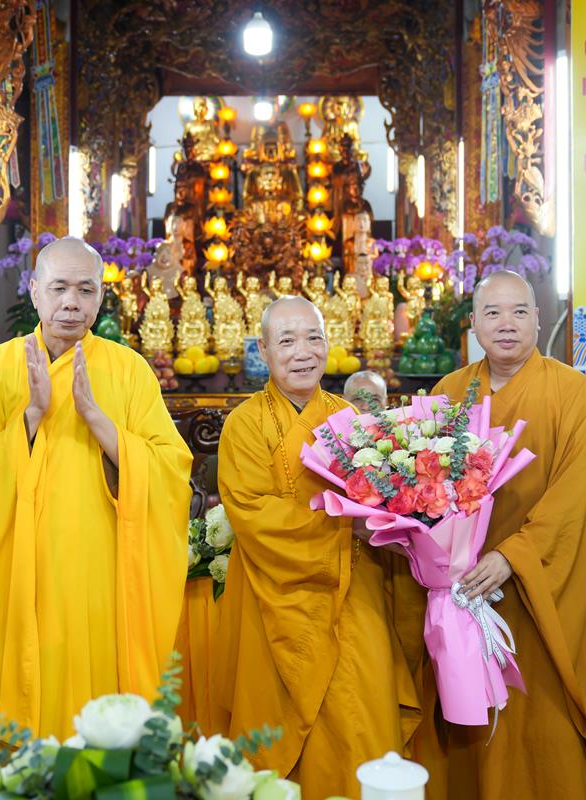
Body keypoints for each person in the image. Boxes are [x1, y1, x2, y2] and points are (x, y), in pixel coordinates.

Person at [0, 237, 192, 739]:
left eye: (85, 289)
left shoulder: (128, 370)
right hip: (24, 569)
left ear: (101, 297)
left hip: (107, 572)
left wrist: (99, 421)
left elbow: (171, 469)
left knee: (105, 708)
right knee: (33, 709)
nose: (71, 302)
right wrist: (31, 418)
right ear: (35, 291)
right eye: (59, 288)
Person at [430, 270, 586, 798]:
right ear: (474, 324)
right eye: (492, 312)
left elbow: (577, 495)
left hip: (541, 586)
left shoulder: (570, 390)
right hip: (465, 587)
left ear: (539, 320)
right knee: (473, 717)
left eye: (519, 311)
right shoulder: (449, 392)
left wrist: (512, 556)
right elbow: (426, 488)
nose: (507, 324)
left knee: (544, 718)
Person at [213, 296, 421, 798]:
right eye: (286, 341)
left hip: (354, 588)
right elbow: (252, 514)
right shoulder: (244, 423)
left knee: (364, 715)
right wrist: (344, 527)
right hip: (272, 594)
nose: (303, 352)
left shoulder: (348, 416)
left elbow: (380, 495)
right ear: (264, 350)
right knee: (278, 731)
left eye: (314, 338)